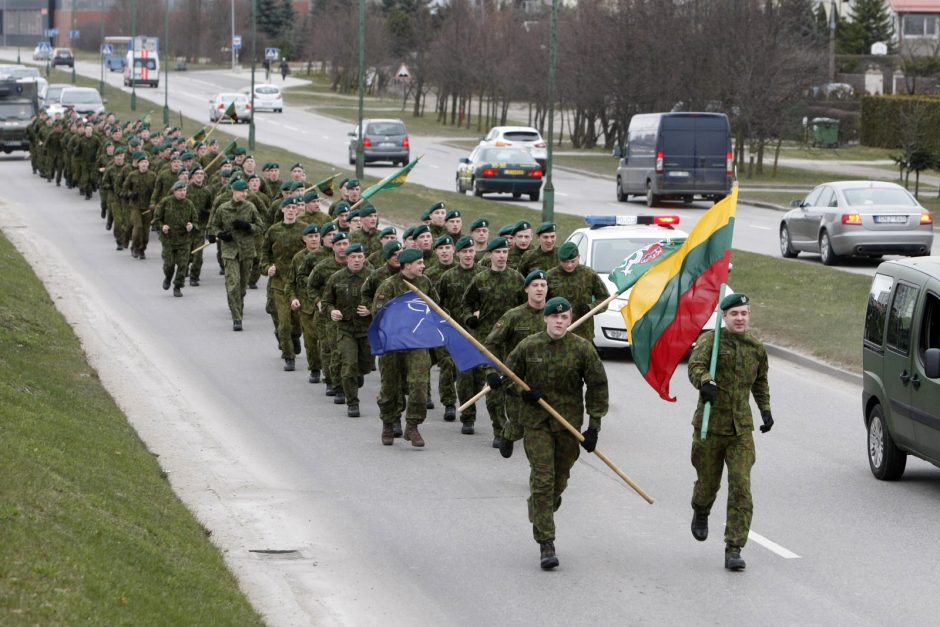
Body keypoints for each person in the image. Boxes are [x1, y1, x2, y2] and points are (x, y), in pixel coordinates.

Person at [501, 296, 608, 570]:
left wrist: (594, 426)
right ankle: (546, 543)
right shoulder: (529, 346)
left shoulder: (582, 349)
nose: (559, 321)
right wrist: (524, 392)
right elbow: (507, 377)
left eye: (564, 317)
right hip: (537, 423)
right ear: (546, 318)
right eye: (554, 316)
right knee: (543, 480)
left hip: (568, 425)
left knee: (558, 482)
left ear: (569, 320)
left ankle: (539, 508)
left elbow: (597, 386)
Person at [688, 292, 772, 572]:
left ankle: (734, 547)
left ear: (749, 316)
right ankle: (701, 510)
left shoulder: (756, 347)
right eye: (734, 313)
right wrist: (705, 381)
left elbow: (760, 382)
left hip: (740, 431)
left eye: (744, 313)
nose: (740, 318)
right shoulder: (711, 341)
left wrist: (766, 410)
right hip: (710, 427)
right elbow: (694, 367)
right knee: (708, 483)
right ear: (724, 316)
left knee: (741, 487)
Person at [372, 248, 437, 447]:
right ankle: (388, 423)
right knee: (390, 387)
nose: (423, 266)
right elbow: (378, 313)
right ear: (407, 265)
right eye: (419, 263)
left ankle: (413, 425)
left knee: (419, 386)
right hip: (393, 345)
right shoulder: (389, 285)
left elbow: (435, 306)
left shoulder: (425, 282)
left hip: (417, 343)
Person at [321, 243, 373, 417]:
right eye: (353, 257)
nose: (357, 260)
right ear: (347, 259)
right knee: (349, 364)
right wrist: (331, 311)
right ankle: (352, 402)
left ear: (364, 258)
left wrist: (371, 309)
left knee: (365, 365)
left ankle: (358, 374)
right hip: (345, 329)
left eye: (360, 257)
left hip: (366, 329)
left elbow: (384, 300)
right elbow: (327, 302)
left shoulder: (373, 277)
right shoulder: (336, 278)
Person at [208, 179, 266, 331]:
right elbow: (214, 226)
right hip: (229, 251)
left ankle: (238, 304)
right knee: (233, 284)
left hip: (246, 251)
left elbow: (261, 227)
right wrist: (220, 234)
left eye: (246, 191)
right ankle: (237, 318)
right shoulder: (223, 208)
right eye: (242, 192)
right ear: (233, 191)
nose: (245, 194)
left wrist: (247, 226)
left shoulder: (250, 207)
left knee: (242, 287)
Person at [261, 196, 306, 371]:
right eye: (287, 207)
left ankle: (295, 337)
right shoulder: (273, 231)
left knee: (297, 322)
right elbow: (264, 254)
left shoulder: (304, 230)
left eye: (294, 207)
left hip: (298, 283)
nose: (290, 210)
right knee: (284, 322)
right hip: (279, 283)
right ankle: (289, 356)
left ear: (297, 210)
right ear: (282, 210)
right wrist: (267, 268)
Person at [546, 241, 609, 342]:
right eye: (565, 262)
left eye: (573, 261)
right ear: (559, 260)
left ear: (579, 258)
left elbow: (605, 298)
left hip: (583, 334)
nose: (569, 265)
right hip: (557, 332)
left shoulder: (589, 274)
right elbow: (541, 304)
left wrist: (590, 308)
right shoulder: (550, 276)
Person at [152, 181, 196, 297]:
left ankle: (177, 286)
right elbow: (156, 219)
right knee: (169, 264)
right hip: (168, 239)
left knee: (183, 265)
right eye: (180, 191)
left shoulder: (189, 204)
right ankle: (168, 277)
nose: (183, 193)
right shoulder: (166, 202)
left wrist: (191, 226)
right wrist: (162, 226)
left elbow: (195, 221)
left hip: (184, 240)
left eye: (184, 191)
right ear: (175, 191)